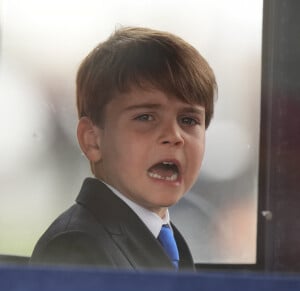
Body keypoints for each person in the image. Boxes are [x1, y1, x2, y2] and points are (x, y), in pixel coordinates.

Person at [30, 26, 217, 271]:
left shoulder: (169, 240)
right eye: (146, 117)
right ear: (93, 141)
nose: (174, 136)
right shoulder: (76, 247)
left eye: (189, 120)